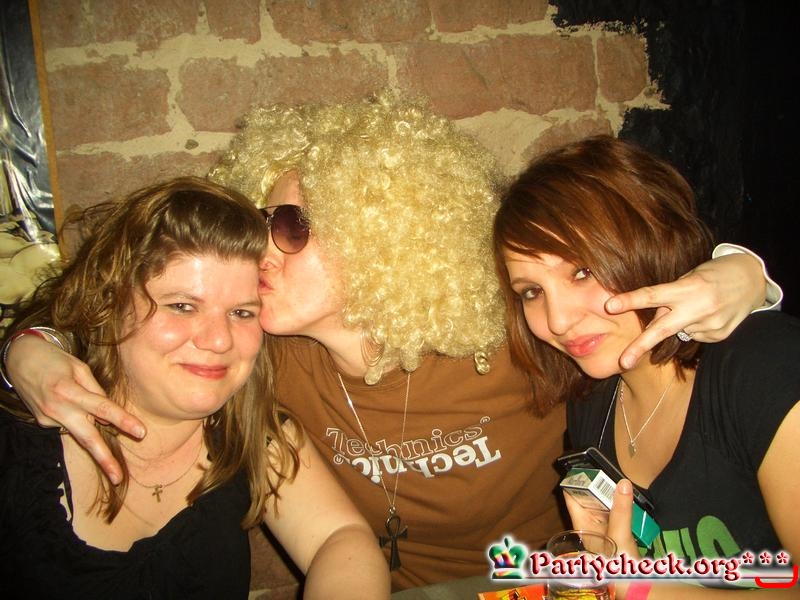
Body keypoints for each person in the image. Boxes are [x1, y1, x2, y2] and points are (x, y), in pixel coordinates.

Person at [0, 94, 779, 591]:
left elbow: (607, 295)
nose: (261, 247)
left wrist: (746, 273)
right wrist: (26, 347)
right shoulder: (254, 357)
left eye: (290, 224)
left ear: (383, 228)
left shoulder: (515, 337)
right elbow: (121, 312)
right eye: (259, 222)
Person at [0, 177, 390, 599]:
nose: (219, 340)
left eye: (241, 312)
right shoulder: (21, 441)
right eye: (183, 306)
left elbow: (339, 537)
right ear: (109, 304)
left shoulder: (253, 433)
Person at [493, 135, 799, 597]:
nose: (557, 321)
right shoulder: (593, 401)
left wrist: (641, 589)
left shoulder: (762, 369)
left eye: (581, 271)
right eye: (531, 292)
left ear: (648, 244)